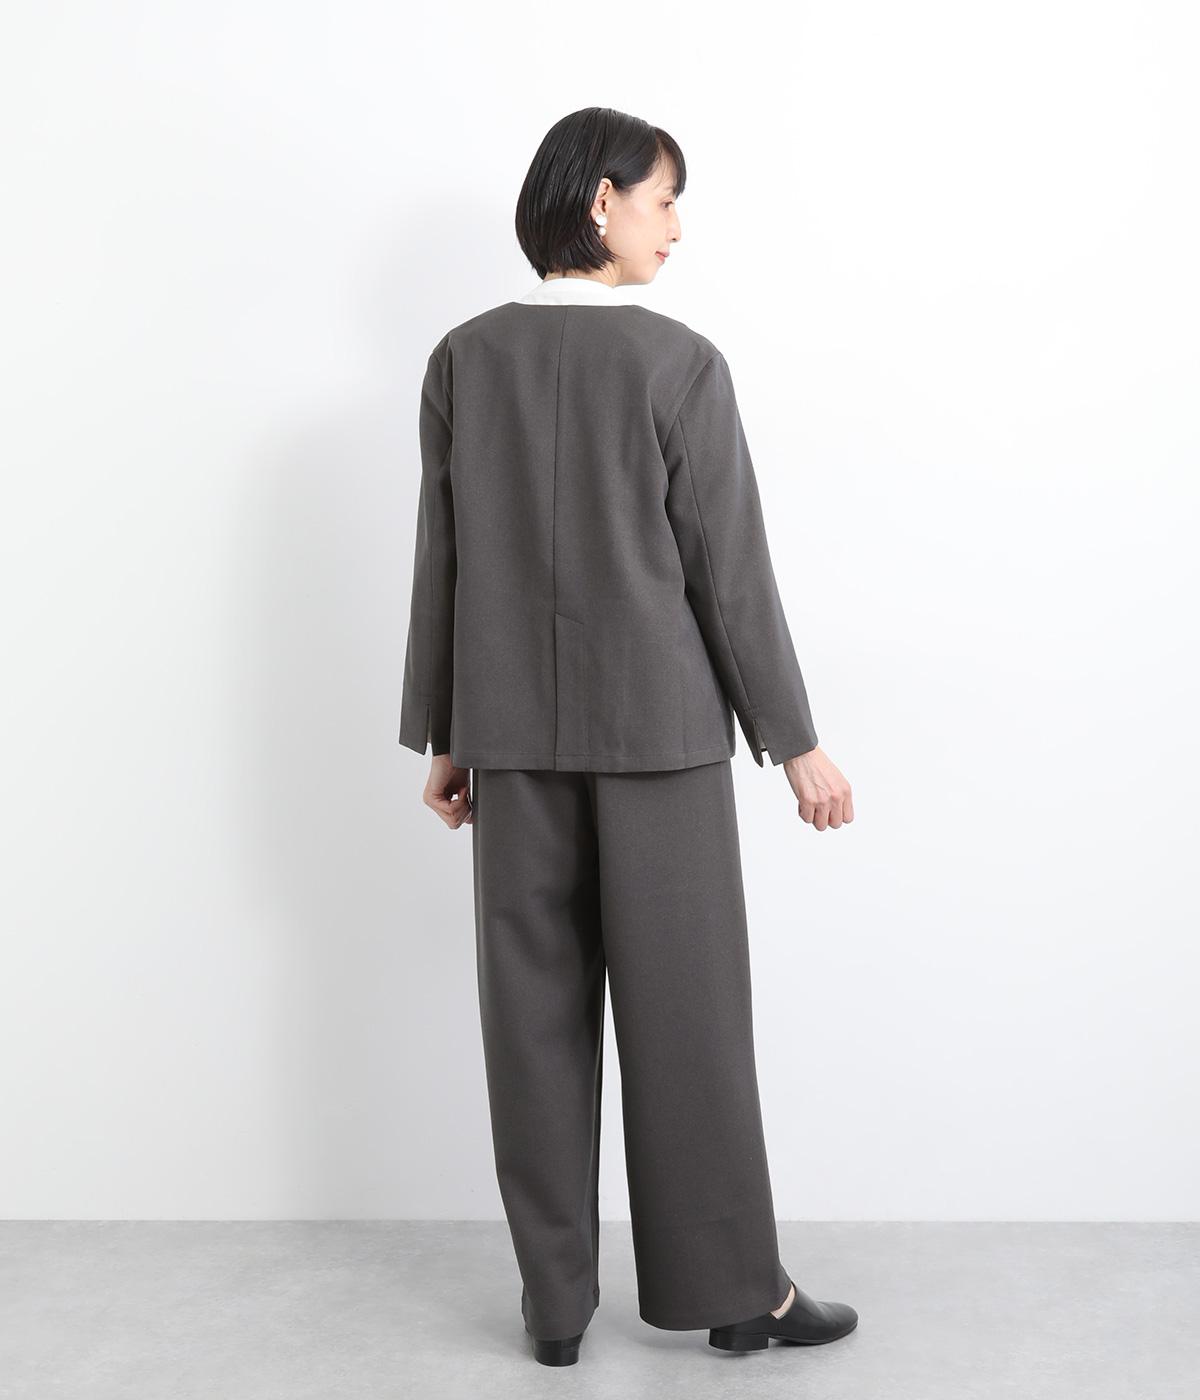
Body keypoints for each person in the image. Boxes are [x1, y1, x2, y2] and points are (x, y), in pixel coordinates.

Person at [398, 106, 857, 1367]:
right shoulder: (678, 362)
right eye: (663, 200)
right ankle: (736, 1292)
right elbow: (728, 571)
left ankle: (554, 1309)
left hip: (511, 739)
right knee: (689, 1022)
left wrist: (446, 735)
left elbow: (445, 558)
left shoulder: (462, 358)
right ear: (601, 202)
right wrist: (796, 740)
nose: (677, 227)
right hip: (659, 739)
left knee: (532, 1023)